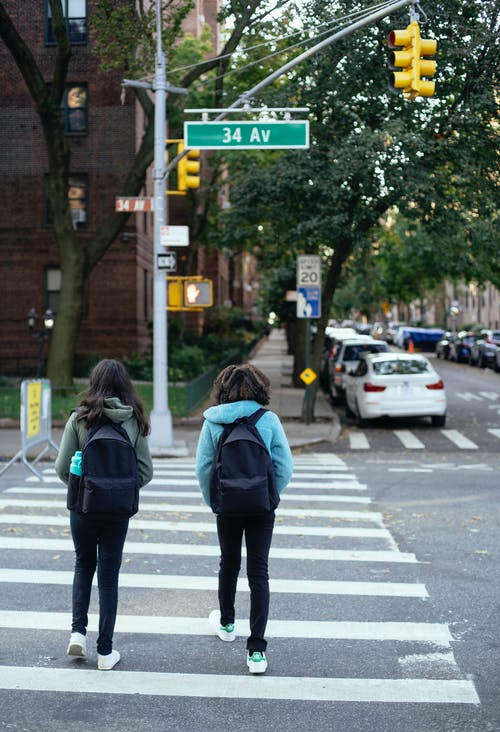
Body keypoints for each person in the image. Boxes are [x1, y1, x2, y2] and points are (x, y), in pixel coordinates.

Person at [55, 359, 153, 670]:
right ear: (126, 385)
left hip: (83, 508)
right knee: (109, 576)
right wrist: (120, 487)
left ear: (93, 382)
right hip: (117, 511)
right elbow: (146, 472)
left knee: (84, 564)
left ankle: (78, 632)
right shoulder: (134, 420)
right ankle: (106, 652)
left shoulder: (79, 419)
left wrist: (86, 486)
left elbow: (61, 469)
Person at [195, 363, 293, 674]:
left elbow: (203, 468)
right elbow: (284, 465)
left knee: (229, 562)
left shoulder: (213, 421)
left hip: (227, 504)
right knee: (258, 572)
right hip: (261, 506)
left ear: (222, 389)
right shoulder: (268, 420)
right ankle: (256, 652)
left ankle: (226, 622)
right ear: (259, 388)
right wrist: (269, 495)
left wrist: (216, 502)